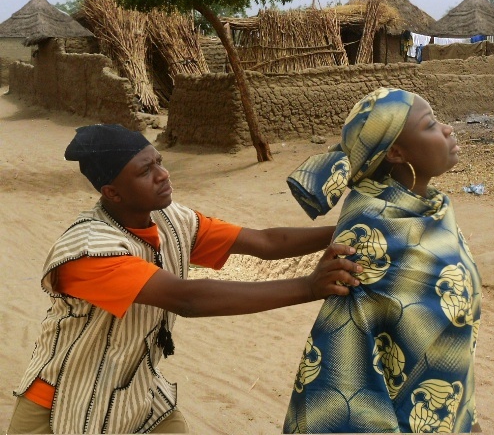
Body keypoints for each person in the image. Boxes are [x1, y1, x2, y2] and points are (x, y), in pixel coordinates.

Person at [7, 124, 363, 435]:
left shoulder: (171, 219)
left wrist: (355, 226)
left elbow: (265, 241)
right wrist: (308, 287)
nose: (162, 174)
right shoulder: (90, 250)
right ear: (111, 192)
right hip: (61, 402)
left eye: (158, 161)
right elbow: (187, 299)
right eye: (145, 171)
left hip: (133, 393)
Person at [283, 88, 482, 433]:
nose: (447, 129)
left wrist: (466, 419)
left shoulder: (432, 209)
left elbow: (452, 332)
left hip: (448, 411)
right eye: (430, 124)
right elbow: (349, 350)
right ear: (395, 151)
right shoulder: (369, 236)